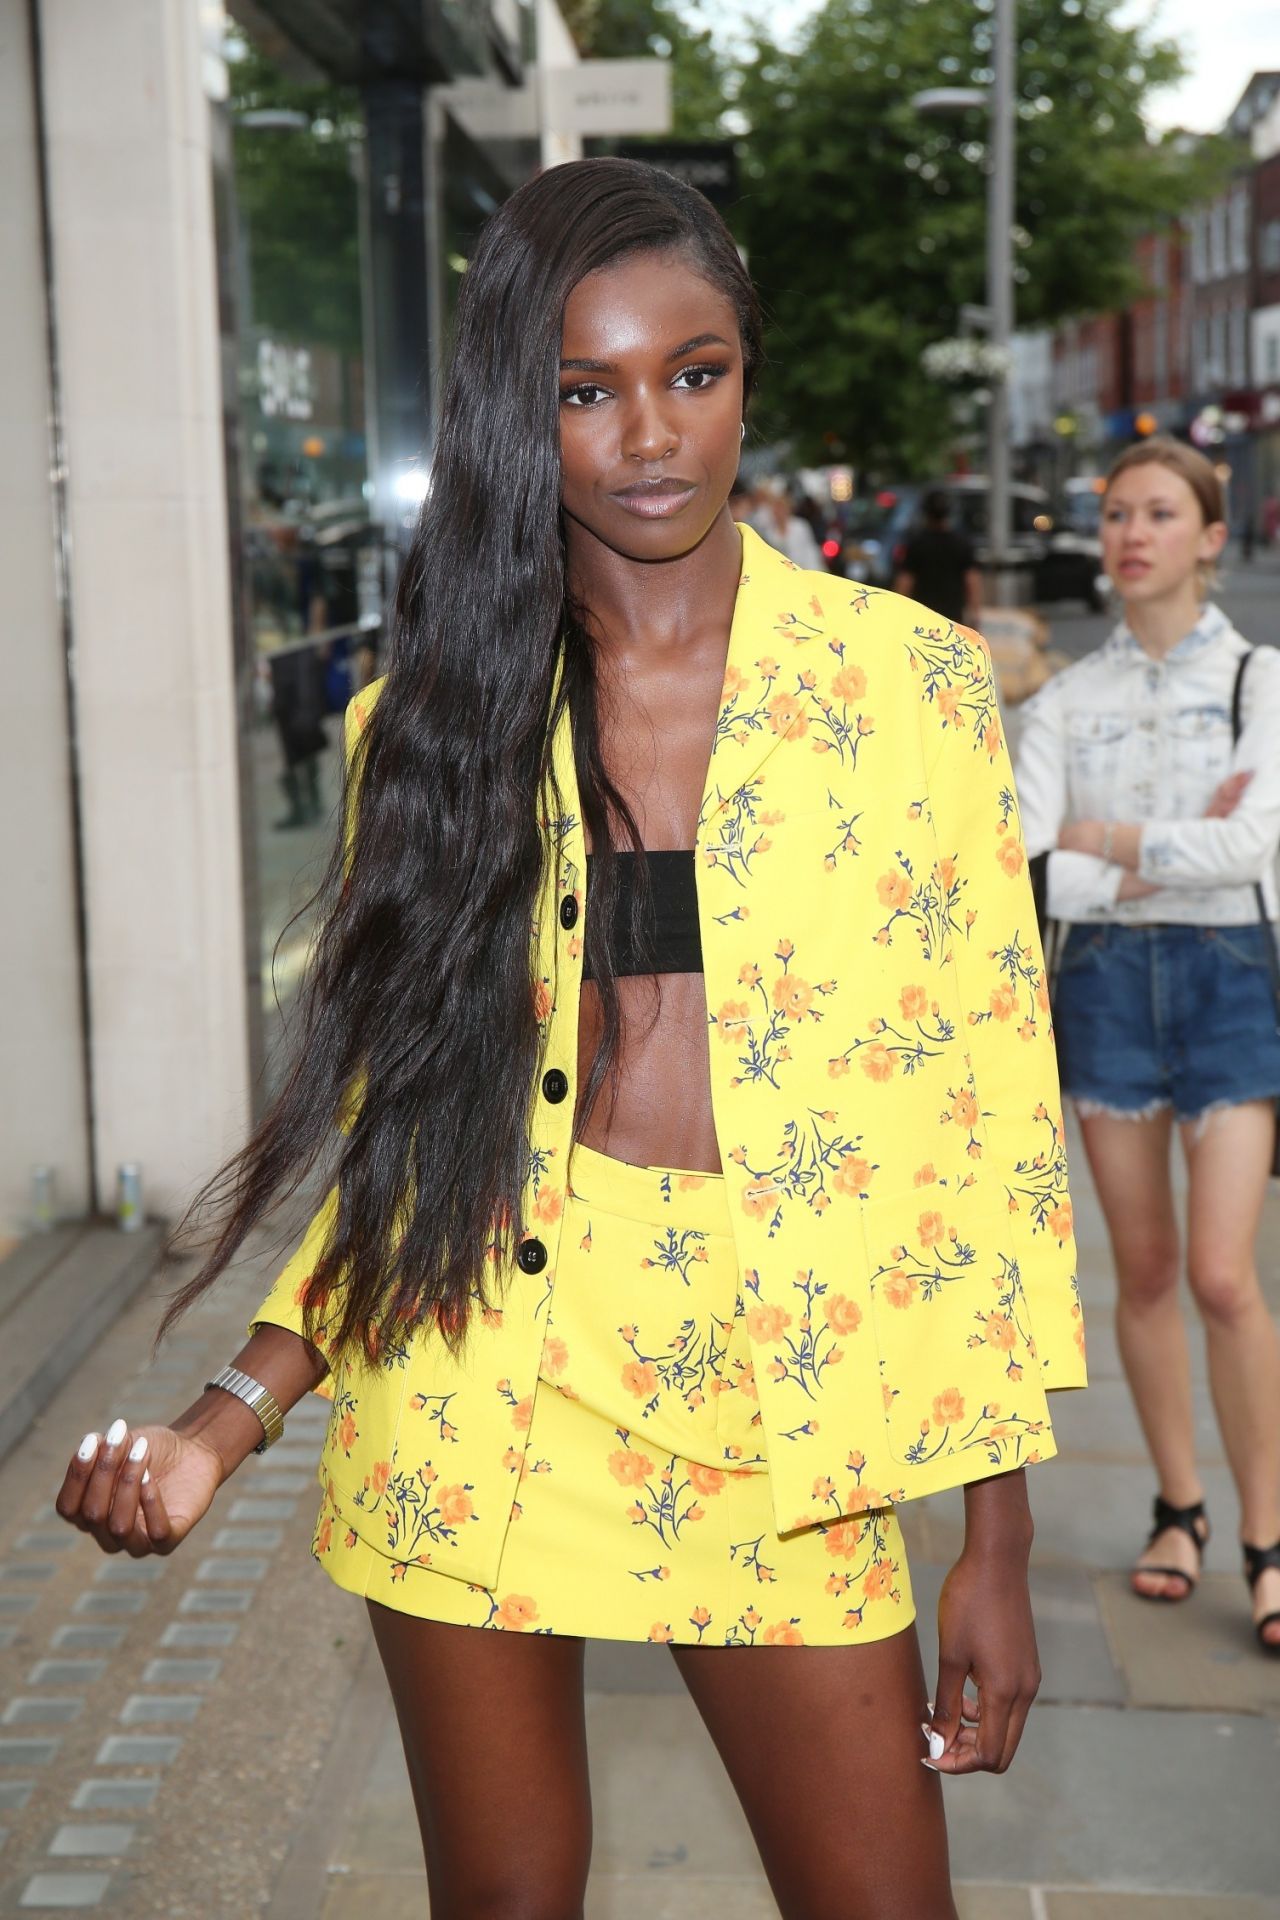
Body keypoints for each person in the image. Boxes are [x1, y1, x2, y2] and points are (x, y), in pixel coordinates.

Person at [55, 160, 1087, 1917]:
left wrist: (997, 1534)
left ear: (749, 367)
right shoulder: (432, 720)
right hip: (482, 1390)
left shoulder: (912, 691)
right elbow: (405, 1143)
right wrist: (218, 1427)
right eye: (582, 390)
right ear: (513, 413)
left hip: (788, 1401)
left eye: (693, 372)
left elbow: (984, 1120)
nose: (651, 435)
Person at [1014, 436, 1280, 1657]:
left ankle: (1264, 1541)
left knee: (1225, 1278)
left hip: (1230, 982)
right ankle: (1176, 1507)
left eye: (1159, 514)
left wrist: (1108, 834)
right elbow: (1031, 865)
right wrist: (1151, 843)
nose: (1129, 533)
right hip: (1106, 991)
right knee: (1145, 1274)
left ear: (1209, 537)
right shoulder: (1064, 699)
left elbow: (1247, 851)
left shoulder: (1260, 685)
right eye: (1114, 513)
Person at [894, 489, 982, 629]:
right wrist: (975, 616)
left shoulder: (917, 543)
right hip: (952, 619)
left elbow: (905, 582)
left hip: (922, 618)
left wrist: (897, 613)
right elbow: (972, 581)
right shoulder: (962, 543)